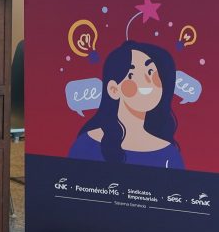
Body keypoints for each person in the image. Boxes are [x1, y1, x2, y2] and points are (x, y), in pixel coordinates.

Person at [69, 40, 184, 168]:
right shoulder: (87, 143)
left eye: (150, 72)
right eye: (131, 75)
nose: (146, 81)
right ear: (113, 89)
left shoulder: (168, 153)